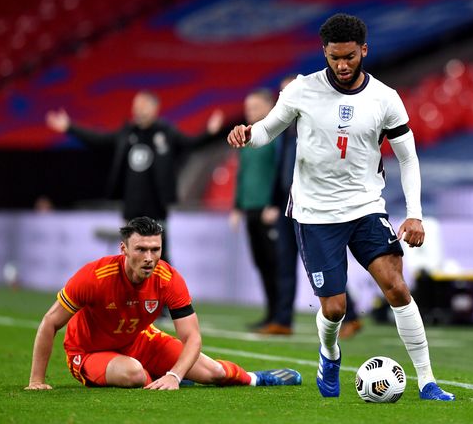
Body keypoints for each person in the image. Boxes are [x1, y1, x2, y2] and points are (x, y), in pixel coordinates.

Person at [227, 14, 455, 401]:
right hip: (315, 213)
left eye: (349, 56)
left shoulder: (385, 98)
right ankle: (329, 354)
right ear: (325, 53)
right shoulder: (301, 90)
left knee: (397, 288)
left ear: (364, 50)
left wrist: (413, 212)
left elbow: (408, 158)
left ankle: (428, 380)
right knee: (335, 309)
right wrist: (248, 135)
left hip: (365, 207)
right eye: (334, 57)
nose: (342, 65)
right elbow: (268, 129)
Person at [25, 216, 301, 390]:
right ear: (123, 249)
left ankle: (256, 378)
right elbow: (50, 322)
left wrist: (176, 376)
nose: (149, 257)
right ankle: (160, 375)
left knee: (215, 372)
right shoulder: (94, 276)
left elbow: (192, 338)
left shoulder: (168, 279)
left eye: (155, 249)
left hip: (138, 341)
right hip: (87, 352)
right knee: (134, 374)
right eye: (141, 249)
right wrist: (36, 381)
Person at [45, 90, 224, 262]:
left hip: (156, 208)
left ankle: (166, 293)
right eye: (136, 105)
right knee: (131, 257)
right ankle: (132, 293)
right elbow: (99, 140)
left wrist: (209, 133)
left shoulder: (166, 132)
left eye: (143, 104)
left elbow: (191, 144)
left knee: (160, 257)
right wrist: (70, 127)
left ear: (155, 108)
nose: (137, 108)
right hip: (131, 208)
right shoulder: (127, 132)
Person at [257, 75, 363, 338]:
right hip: (286, 204)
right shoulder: (284, 127)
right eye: (282, 92)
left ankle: (350, 314)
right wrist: (273, 202)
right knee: (284, 262)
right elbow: (279, 170)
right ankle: (282, 319)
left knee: (319, 261)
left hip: (312, 203)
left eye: (289, 91)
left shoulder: (319, 124)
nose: (286, 97)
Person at [229, 88, 278, 331]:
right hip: (250, 208)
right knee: (261, 262)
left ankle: (279, 315)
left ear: (269, 107)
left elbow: (281, 172)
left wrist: (276, 204)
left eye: (254, 107)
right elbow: (243, 175)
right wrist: (237, 207)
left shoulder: (275, 134)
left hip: (268, 209)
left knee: (274, 263)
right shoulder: (248, 137)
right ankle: (271, 314)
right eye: (248, 108)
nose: (249, 112)